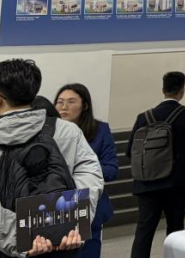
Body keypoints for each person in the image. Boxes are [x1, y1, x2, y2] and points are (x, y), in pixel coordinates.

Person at [0, 61, 103, 258]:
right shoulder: (67, 131)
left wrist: (22, 238)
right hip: (65, 242)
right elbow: (91, 175)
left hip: (2, 249)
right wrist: (73, 223)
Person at [127, 71, 185, 258]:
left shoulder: (143, 117)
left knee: (144, 231)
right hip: (175, 183)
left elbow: (129, 151)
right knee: (175, 229)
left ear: (163, 89)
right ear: (182, 90)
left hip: (146, 182)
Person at [55, 84, 117, 258]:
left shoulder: (100, 130)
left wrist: (83, 170)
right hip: (56, 205)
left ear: (85, 106)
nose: (64, 107)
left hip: (88, 204)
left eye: (71, 102)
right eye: (59, 102)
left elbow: (111, 170)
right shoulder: (49, 131)